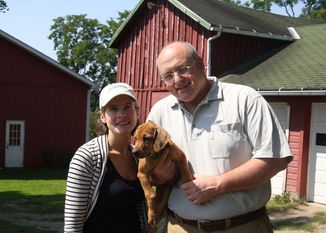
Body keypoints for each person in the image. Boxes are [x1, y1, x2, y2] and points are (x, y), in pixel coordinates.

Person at [148, 41, 293, 233]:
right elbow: (146, 170)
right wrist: (157, 177)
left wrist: (219, 184)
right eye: (168, 75)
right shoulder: (160, 112)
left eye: (182, 69)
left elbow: (275, 158)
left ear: (200, 63)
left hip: (242, 226)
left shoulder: (244, 99)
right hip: (180, 227)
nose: (177, 79)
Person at [64, 83, 148, 233]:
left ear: (137, 111)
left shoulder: (138, 157)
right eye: (113, 109)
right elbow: (72, 225)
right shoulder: (87, 157)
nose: (121, 114)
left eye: (127, 107)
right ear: (103, 116)